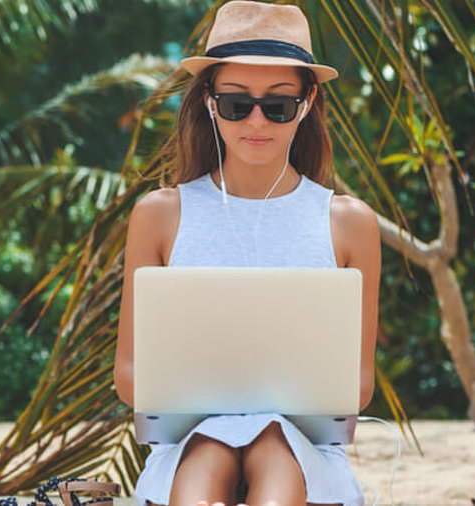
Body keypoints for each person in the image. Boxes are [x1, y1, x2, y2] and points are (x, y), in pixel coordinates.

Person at [112, 2, 381, 505]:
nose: (256, 121)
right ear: (210, 102)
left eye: (277, 105)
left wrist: (257, 408)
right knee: (211, 446)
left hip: (306, 453)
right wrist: (220, 406)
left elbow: (356, 387)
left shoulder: (349, 223)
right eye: (237, 103)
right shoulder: (159, 214)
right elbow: (129, 376)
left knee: (275, 443)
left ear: (307, 102)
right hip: (187, 446)